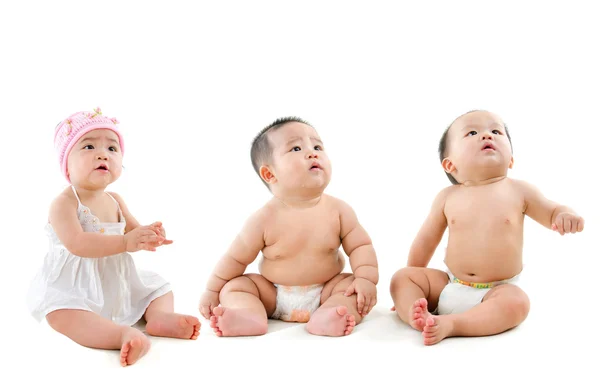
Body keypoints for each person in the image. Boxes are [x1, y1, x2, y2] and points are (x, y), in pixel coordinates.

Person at [390, 110, 585, 345]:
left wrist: (564, 215)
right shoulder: (446, 197)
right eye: (472, 132)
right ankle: (417, 314)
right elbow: (425, 241)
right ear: (450, 164)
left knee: (518, 303)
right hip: (450, 283)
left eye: (496, 131)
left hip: (497, 291)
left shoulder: (519, 191)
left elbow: (551, 210)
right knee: (401, 278)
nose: (486, 136)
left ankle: (453, 324)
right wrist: (415, 282)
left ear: (511, 159)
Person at [27, 107, 200, 366]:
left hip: (116, 281)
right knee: (62, 316)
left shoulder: (115, 200)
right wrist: (125, 242)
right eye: (88, 147)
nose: (102, 154)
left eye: (112, 148)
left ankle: (159, 317)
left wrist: (148, 235)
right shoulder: (64, 203)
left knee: (160, 288)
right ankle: (120, 335)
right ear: (66, 165)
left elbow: (131, 232)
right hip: (74, 285)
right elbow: (77, 243)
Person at [199, 117, 379, 337]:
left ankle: (330, 315)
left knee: (350, 286)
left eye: (317, 146)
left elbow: (361, 246)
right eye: (296, 148)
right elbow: (235, 259)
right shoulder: (263, 219)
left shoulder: (339, 210)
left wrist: (366, 279)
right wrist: (212, 290)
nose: (313, 153)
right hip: (273, 294)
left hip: (327, 290)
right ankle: (248, 314)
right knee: (237, 286)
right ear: (270, 174)